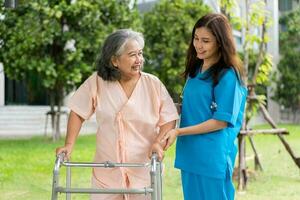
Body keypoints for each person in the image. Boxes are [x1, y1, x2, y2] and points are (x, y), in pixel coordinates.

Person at [56, 29, 179, 200]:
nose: (139, 60)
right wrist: (69, 145)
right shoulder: (97, 82)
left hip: (143, 170)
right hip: (107, 171)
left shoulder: (153, 84)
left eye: (140, 54)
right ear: (114, 60)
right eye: (132, 55)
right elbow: (77, 112)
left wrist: (158, 143)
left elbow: (169, 119)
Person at [161, 13, 247, 200]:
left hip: (212, 156)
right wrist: (167, 108)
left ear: (220, 42)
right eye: (196, 38)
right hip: (190, 154)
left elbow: (221, 121)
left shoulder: (228, 76)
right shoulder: (195, 70)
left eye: (205, 41)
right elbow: (194, 106)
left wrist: (178, 132)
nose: (198, 45)